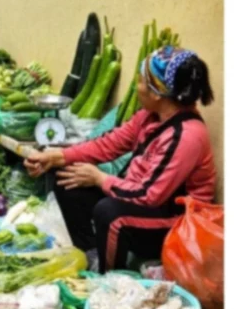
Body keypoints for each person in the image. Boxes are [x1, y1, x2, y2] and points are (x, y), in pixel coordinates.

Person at [25, 48, 217, 270]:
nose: (137, 87)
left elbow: (149, 195)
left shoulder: (186, 135)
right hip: (146, 199)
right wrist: (57, 156)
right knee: (66, 176)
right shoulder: (149, 116)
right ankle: (93, 256)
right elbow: (108, 145)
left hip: (177, 221)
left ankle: (111, 281)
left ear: (156, 93)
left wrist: (99, 179)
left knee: (110, 213)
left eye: (141, 81)